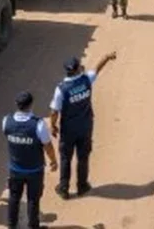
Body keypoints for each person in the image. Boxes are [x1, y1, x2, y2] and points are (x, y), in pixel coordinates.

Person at [50, 52, 117, 199]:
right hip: (86, 126)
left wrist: (53, 126)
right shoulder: (86, 80)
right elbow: (97, 68)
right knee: (83, 156)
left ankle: (64, 188)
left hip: (68, 130)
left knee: (65, 158)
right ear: (77, 68)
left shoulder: (61, 89)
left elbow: (55, 111)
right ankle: (82, 186)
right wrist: (106, 57)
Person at [3, 91, 58, 229]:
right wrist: (53, 160)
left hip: (15, 168)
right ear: (31, 105)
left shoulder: (6, 121)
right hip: (34, 170)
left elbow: (8, 134)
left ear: (17, 105)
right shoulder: (38, 124)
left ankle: (11, 225)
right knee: (33, 199)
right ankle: (33, 226)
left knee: (14, 197)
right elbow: (48, 145)